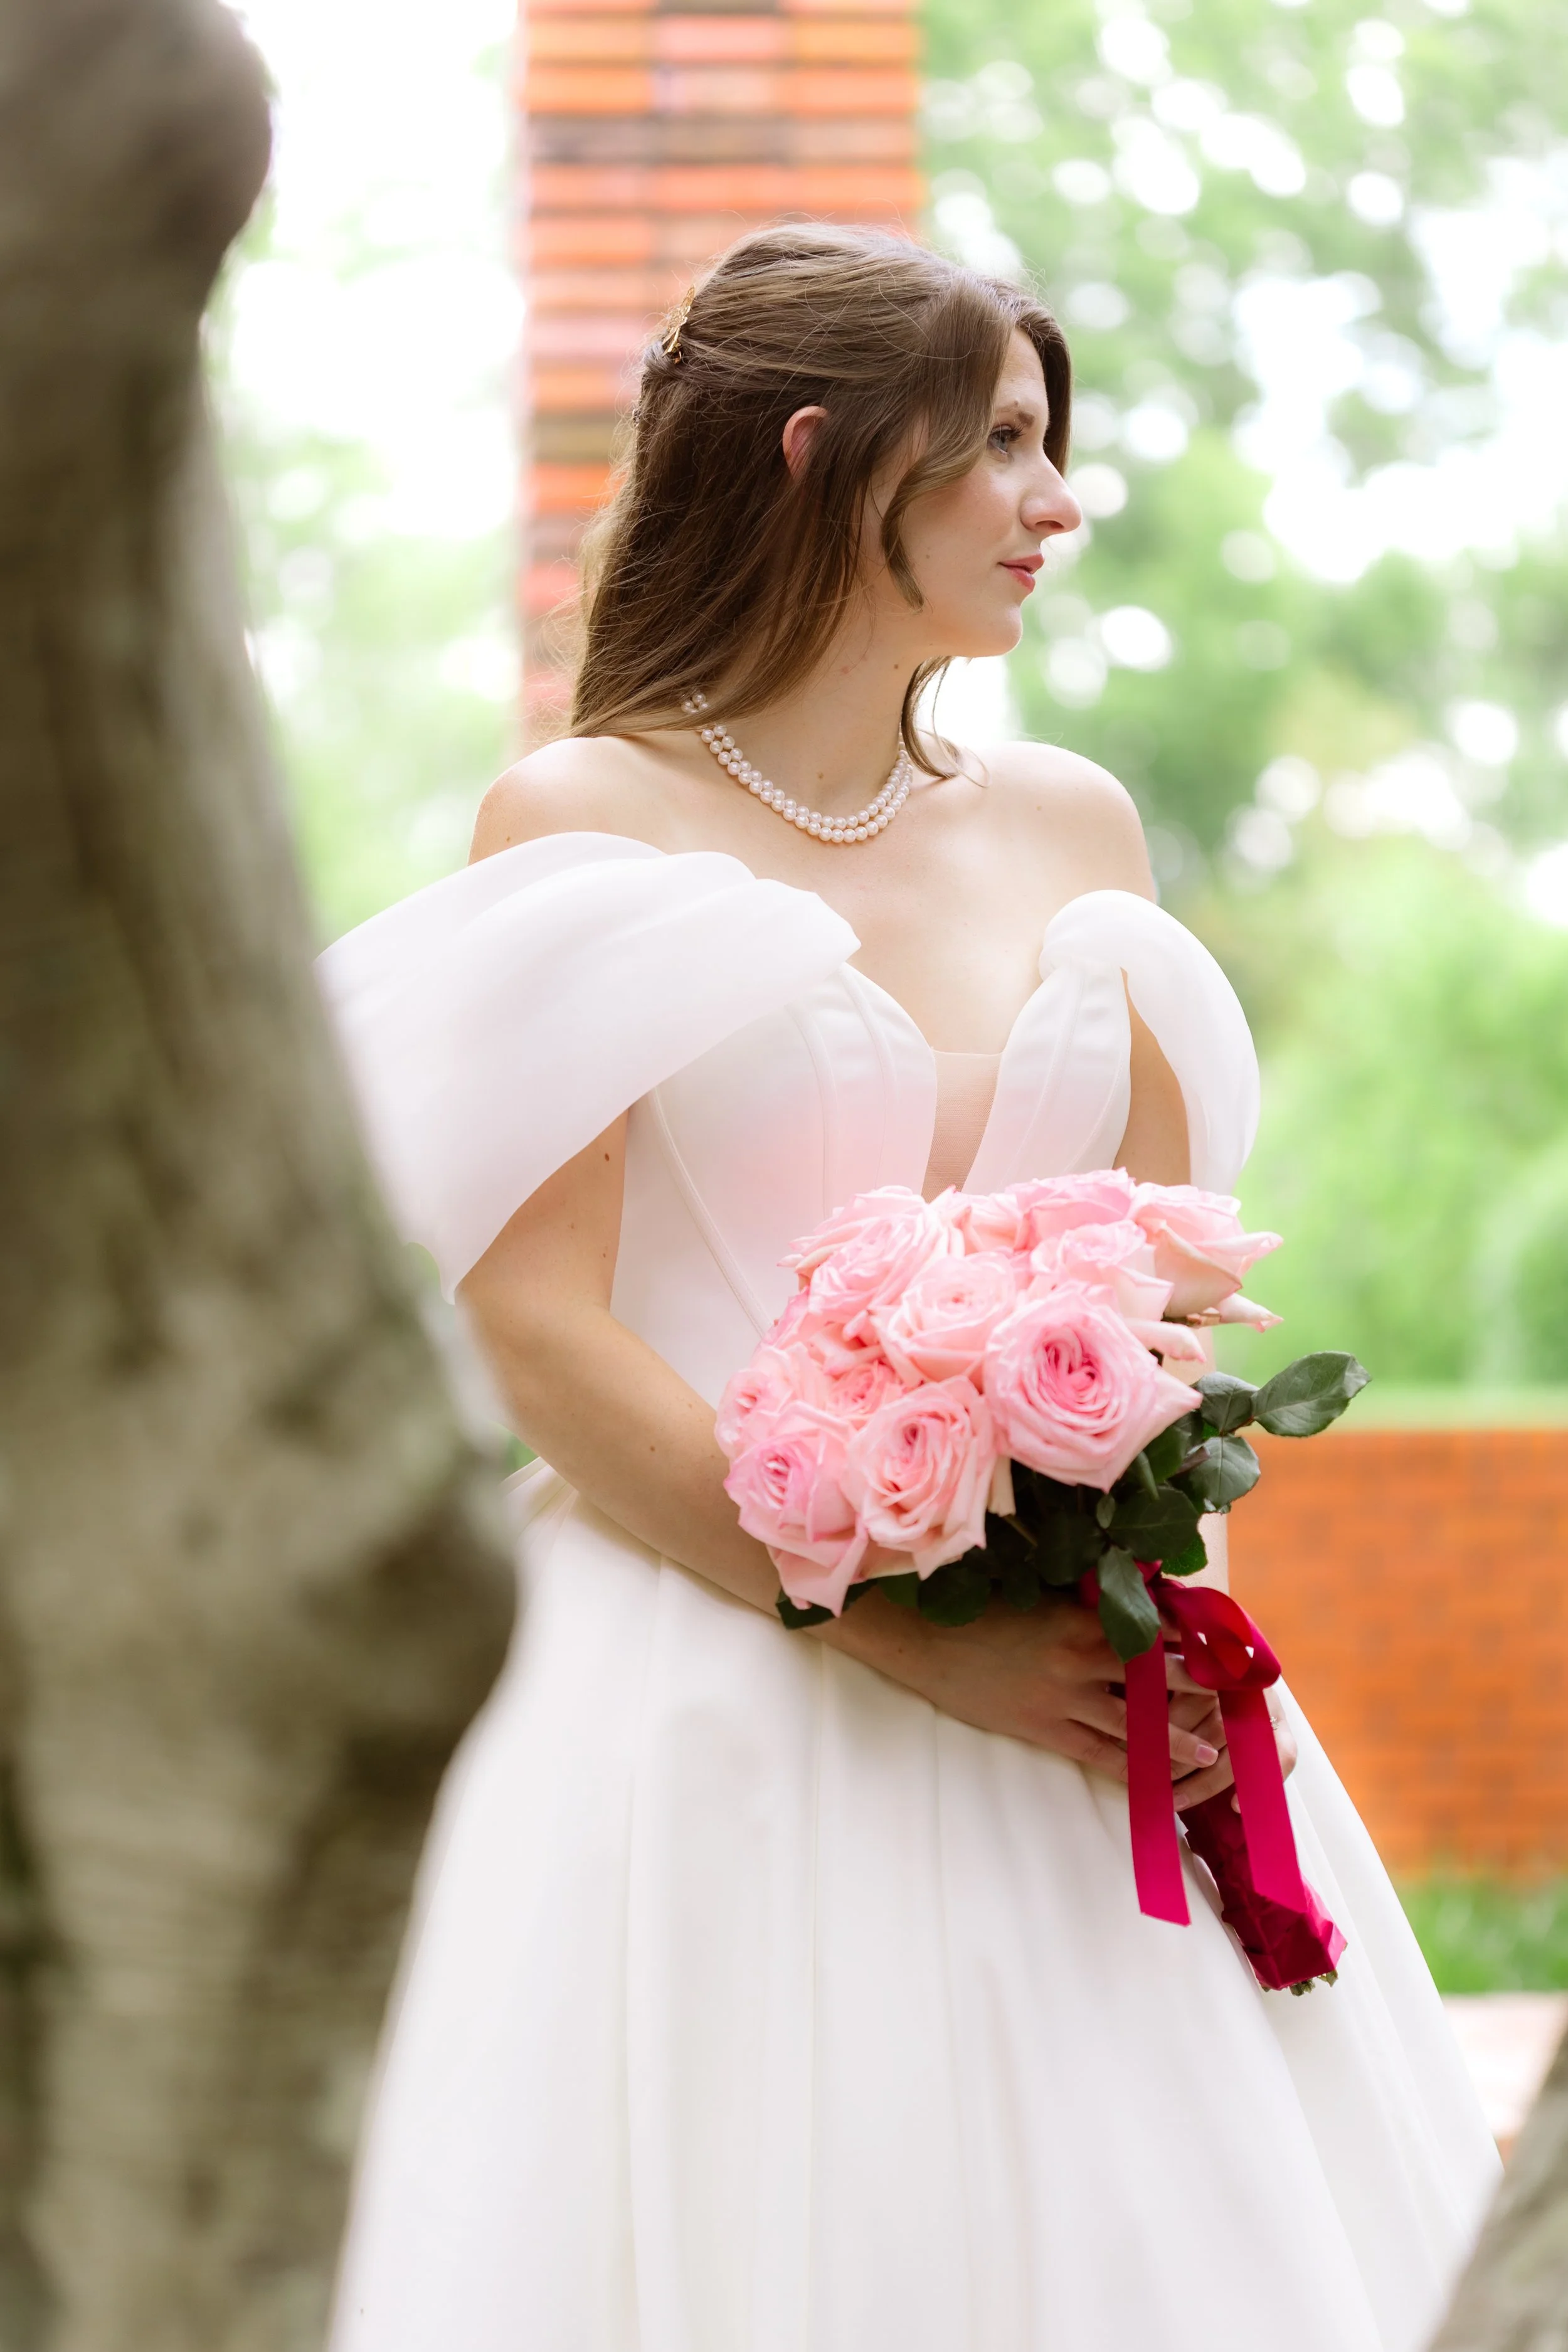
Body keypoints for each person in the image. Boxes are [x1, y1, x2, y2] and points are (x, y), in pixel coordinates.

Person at [320, 224, 1498, 2352]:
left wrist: (1132, 1600)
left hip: (1082, 1688)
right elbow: (541, 1326)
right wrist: (879, 1628)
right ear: (821, 455)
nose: (1057, 504)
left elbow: (1150, 1287)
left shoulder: (1075, 824)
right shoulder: (585, 812)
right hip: (712, 1699)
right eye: (1009, 448)